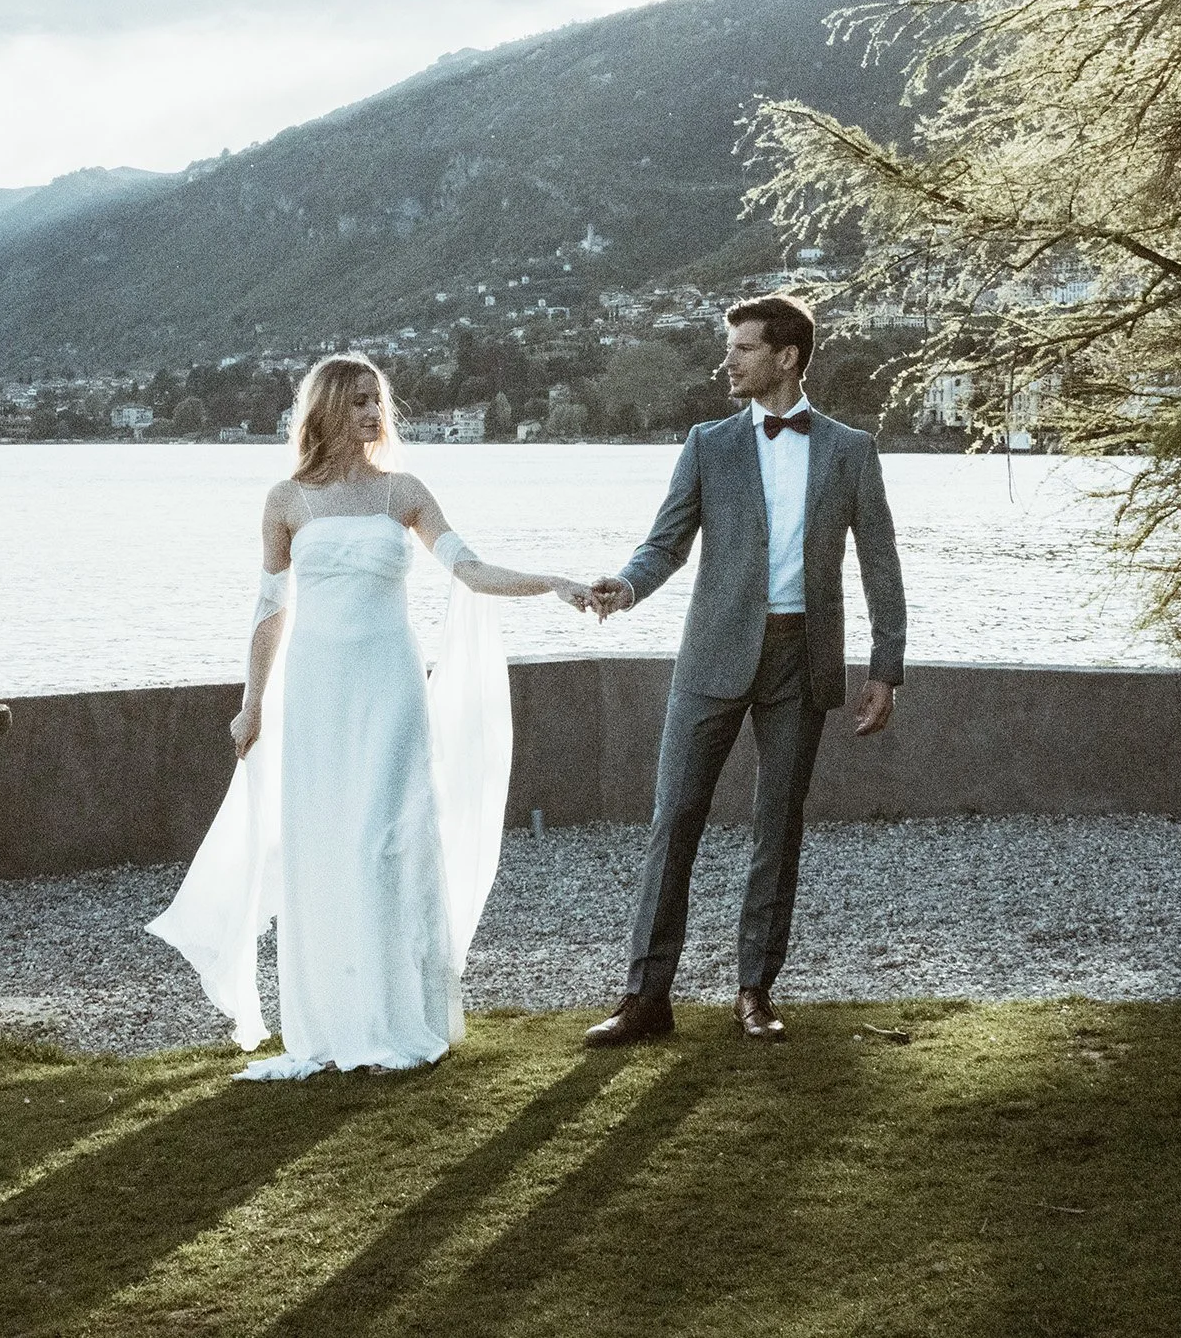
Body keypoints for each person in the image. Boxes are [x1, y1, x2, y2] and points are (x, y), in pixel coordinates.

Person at [149, 353, 597, 1078]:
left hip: (391, 688)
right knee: (326, 848)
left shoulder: (404, 493)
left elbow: (469, 569)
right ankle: (335, 1021)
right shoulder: (287, 501)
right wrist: (252, 703)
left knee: (388, 841)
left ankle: (399, 1018)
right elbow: (269, 610)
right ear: (326, 409)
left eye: (376, 401)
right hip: (317, 693)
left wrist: (551, 582)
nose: (371, 414)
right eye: (357, 401)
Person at [582, 294, 907, 1046]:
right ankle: (645, 998)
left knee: (777, 826)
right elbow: (666, 543)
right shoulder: (708, 443)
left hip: (803, 658)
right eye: (728, 348)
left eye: (743, 348)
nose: (726, 361)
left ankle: (755, 991)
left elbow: (880, 564)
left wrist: (885, 668)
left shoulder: (851, 450)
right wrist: (627, 585)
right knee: (674, 819)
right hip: (712, 655)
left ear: (787, 357)